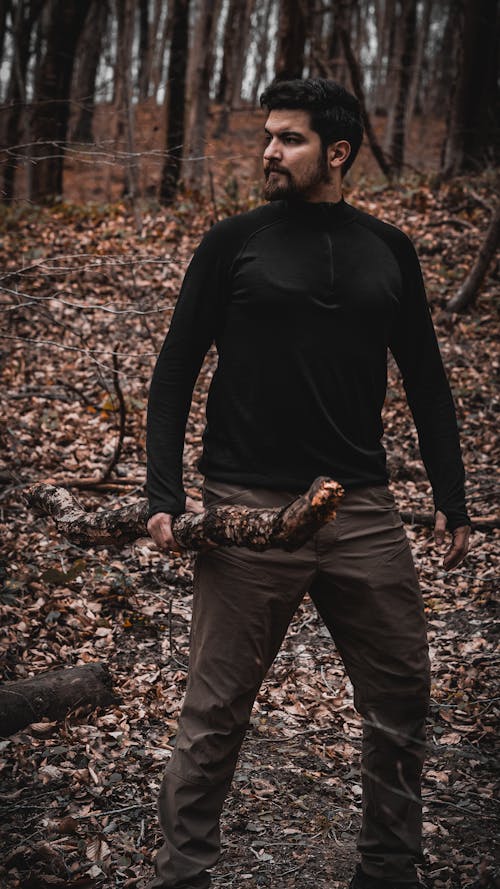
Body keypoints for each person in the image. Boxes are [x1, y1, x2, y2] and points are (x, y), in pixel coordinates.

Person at [146, 78, 470, 889]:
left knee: (401, 700)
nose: (268, 152)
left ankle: (389, 870)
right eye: (267, 136)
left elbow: (426, 377)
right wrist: (163, 494)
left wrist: (450, 492)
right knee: (215, 714)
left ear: (338, 152)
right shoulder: (233, 243)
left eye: (287, 139)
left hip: (361, 506)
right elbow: (176, 366)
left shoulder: (388, 250)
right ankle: (185, 875)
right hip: (246, 506)